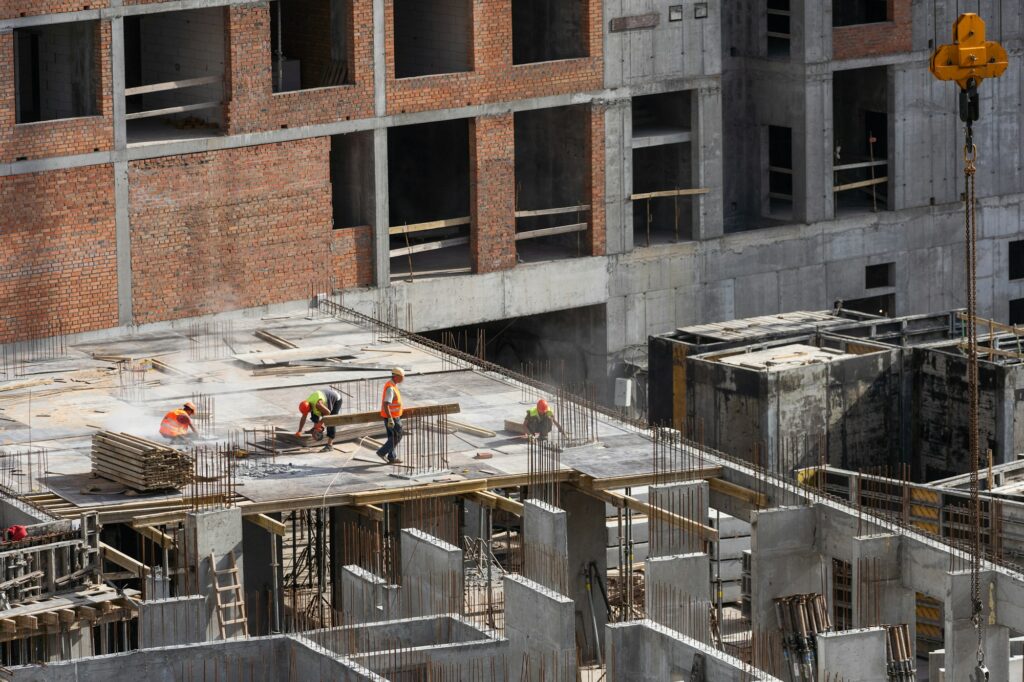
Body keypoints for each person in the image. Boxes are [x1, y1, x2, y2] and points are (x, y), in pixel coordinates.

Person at [296, 387, 343, 452]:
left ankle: (330, 445)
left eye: (308, 411)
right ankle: (315, 428)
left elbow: (328, 412)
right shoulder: (307, 403)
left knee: (331, 420)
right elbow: (303, 417)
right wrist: (299, 431)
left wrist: (320, 423)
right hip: (324, 397)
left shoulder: (318, 404)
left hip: (336, 399)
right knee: (314, 412)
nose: (307, 413)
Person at [376, 367, 405, 463]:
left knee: (391, 437)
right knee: (398, 435)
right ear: (396, 376)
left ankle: (392, 457)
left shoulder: (392, 385)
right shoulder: (390, 388)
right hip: (392, 417)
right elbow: (386, 404)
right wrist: (390, 419)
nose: (403, 378)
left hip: (392, 416)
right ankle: (382, 452)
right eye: (402, 377)